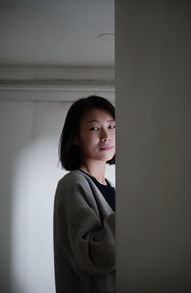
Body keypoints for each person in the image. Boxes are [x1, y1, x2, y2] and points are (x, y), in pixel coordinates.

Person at [53, 95, 116, 293]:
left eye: (112, 126)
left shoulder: (111, 187)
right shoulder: (73, 183)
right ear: (75, 138)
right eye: (94, 128)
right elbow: (92, 256)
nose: (106, 135)